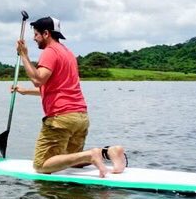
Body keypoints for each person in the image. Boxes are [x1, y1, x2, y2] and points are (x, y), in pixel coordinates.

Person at [14, 16, 126, 178]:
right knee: (72, 159)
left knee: (41, 165)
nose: (34, 38)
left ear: (46, 34)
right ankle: (108, 152)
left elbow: (38, 80)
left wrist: (24, 55)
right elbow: (57, 88)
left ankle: (91, 155)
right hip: (80, 117)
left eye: (36, 34)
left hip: (62, 118)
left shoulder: (50, 52)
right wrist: (25, 91)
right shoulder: (67, 53)